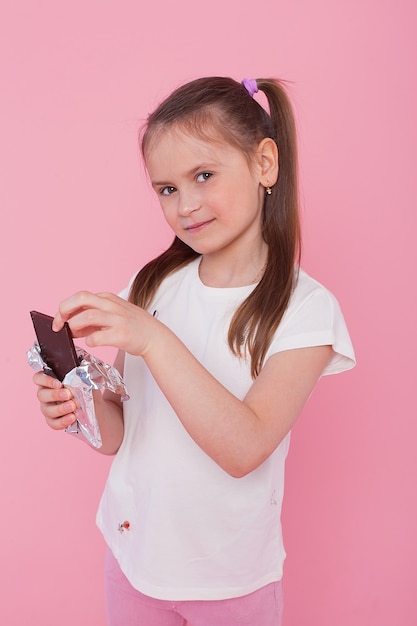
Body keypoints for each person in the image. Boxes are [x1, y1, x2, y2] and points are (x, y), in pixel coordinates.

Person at [33, 76, 355, 626]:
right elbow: (121, 433)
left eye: (204, 175)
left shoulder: (305, 310)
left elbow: (244, 448)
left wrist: (154, 339)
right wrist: (76, 401)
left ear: (264, 164)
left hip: (228, 578)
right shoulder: (153, 285)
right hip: (134, 557)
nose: (186, 205)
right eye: (166, 189)